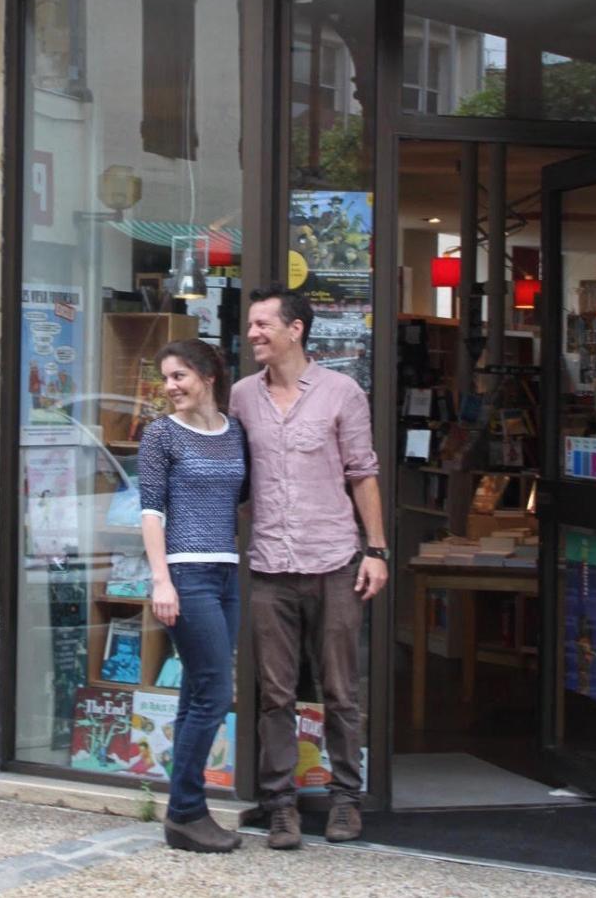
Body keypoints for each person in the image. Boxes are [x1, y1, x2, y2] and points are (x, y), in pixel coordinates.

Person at [229, 285, 389, 850]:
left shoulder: (342, 392)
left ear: (295, 329)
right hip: (271, 565)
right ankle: (281, 807)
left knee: (340, 689)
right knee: (275, 694)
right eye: (251, 325)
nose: (253, 334)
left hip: (334, 561)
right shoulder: (242, 396)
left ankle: (347, 799)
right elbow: (233, 473)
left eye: (263, 324)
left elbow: (362, 472)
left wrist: (376, 550)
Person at [139, 338, 247, 853]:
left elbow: (241, 499)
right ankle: (185, 811)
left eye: (179, 376)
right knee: (214, 692)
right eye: (166, 378)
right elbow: (152, 512)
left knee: (196, 696)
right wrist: (161, 580)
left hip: (227, 573)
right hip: (186, 575)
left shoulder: (235, 432)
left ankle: (185, 812)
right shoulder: (161, 435)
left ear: (208, 376)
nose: (170, 387)